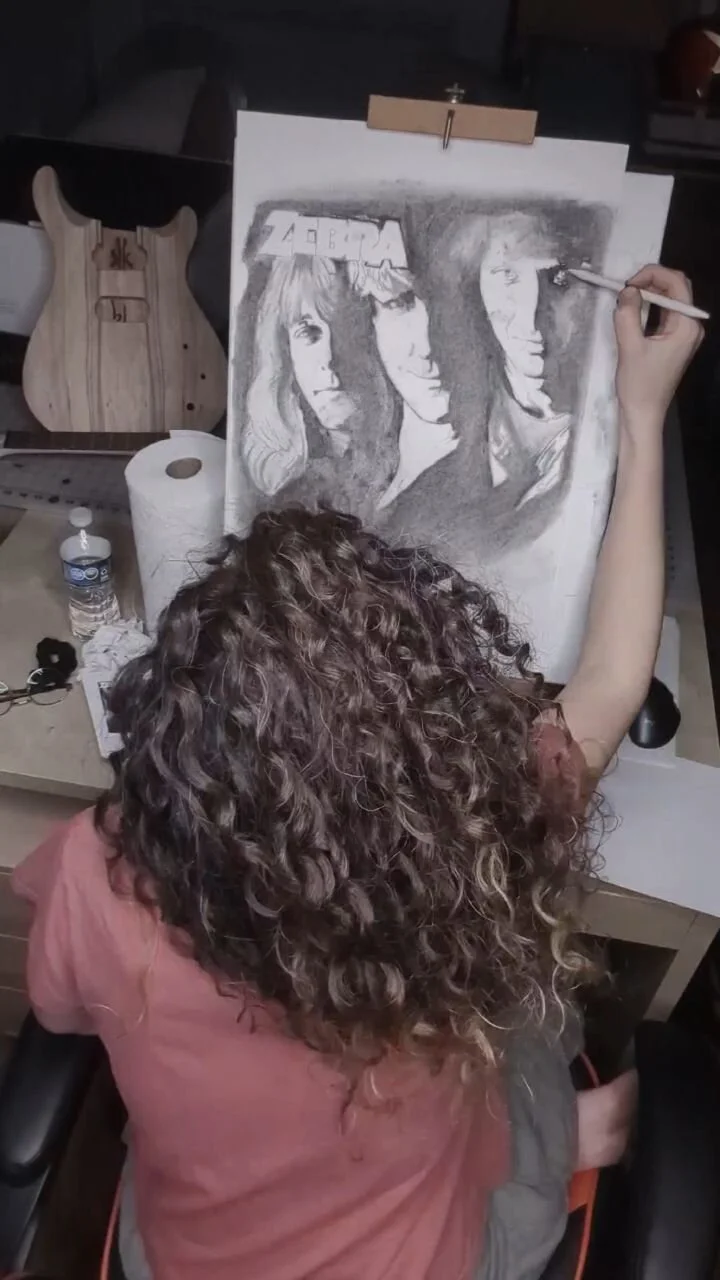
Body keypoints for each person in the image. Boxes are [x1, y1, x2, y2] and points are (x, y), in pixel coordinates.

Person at [13, 266, 701, 1280]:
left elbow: (64, 1014)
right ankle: (561, 1139)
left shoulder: (92, 866)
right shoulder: (475, 837)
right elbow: (608, 683)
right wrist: (644, 413)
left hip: (188, 1256)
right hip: (429, 1258)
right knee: (527, 1017)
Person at [239, 254, 399, 520]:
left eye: (348, 331)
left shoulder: (405, 469)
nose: (329, 359)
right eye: (309, 334)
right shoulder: (284, 487)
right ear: (284, 348)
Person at [346, 261, 459, 509]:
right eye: (399, 304)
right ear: (369, 322)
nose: (426, 347)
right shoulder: (366, 472)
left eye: (444, 303)